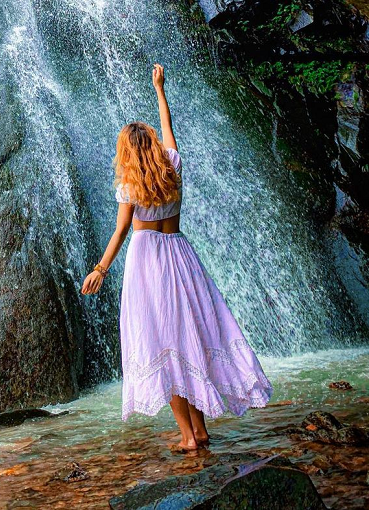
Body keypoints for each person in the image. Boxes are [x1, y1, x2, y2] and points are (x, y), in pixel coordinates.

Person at [82, 63, 272, 451]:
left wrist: (101, 268)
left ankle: (188, 436)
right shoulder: (173, 166)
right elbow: (168, 128)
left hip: (146, 261)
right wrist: (159, 89)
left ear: (126, 153)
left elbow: (120, 232)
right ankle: (199, 431)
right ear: (152, 145)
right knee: (186, 338)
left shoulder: (129, 186)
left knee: (160, 345)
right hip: (181, 254)